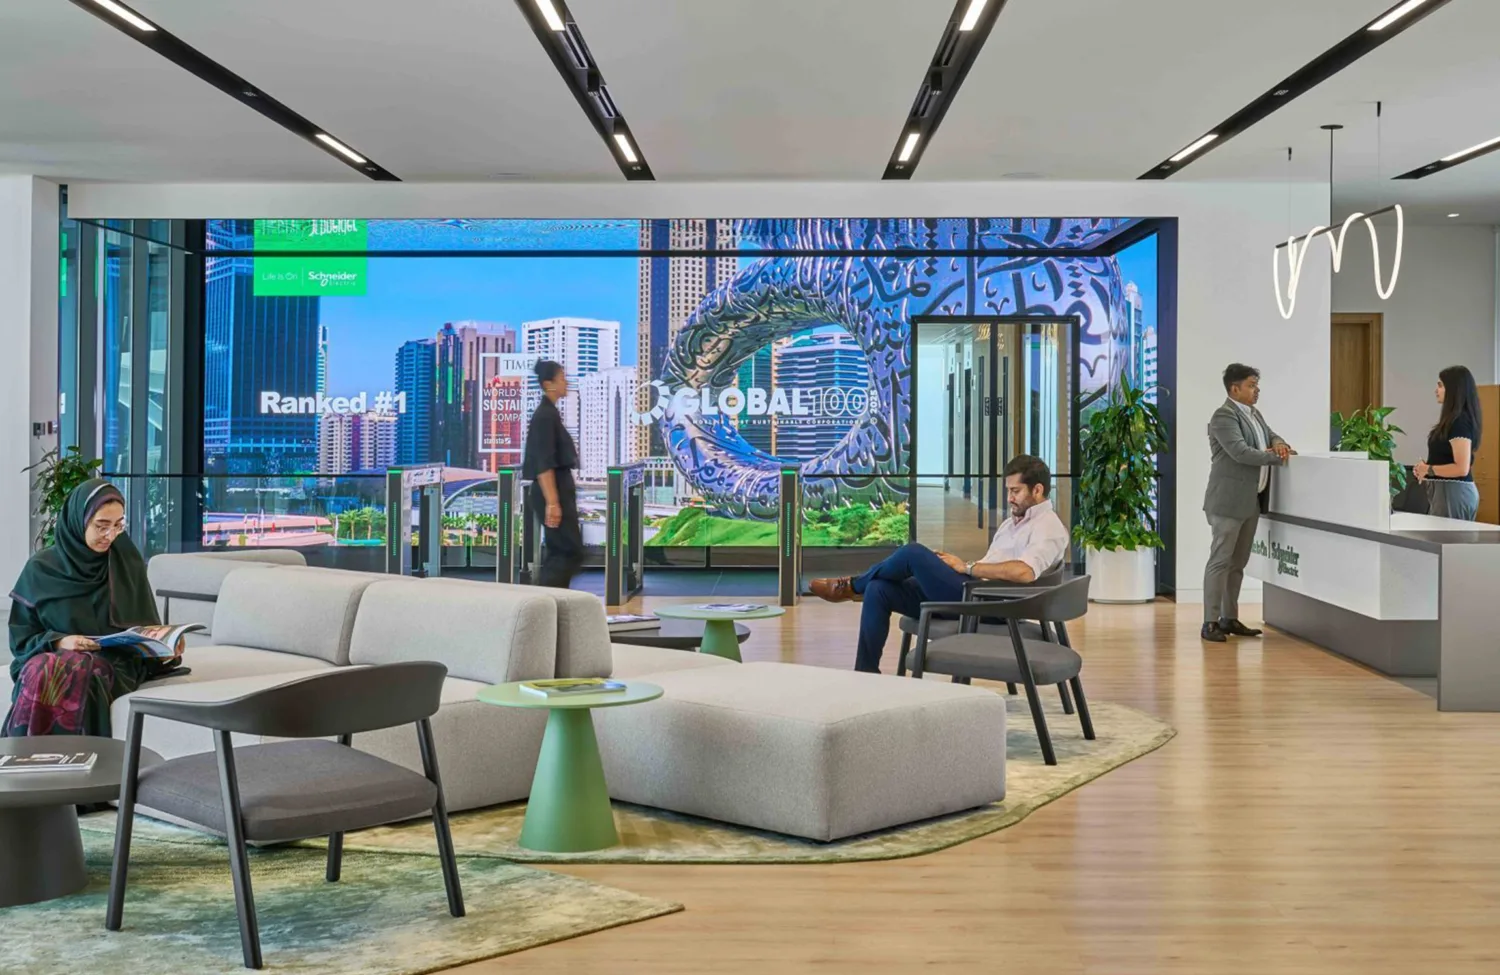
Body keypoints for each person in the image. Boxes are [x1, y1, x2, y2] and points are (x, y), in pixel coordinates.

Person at [809, 455, 1070, 674]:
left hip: (992, 604)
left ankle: (851, 585)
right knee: (879, 588)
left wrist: (966, 567)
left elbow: (1024, 572)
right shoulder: (1013, 522)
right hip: (973, 592)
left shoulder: (1048, 527)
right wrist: (953, 568)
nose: (1010, 498)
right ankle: (865, 676)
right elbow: (995, 564)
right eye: (1008, 492)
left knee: (913, 553)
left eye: (1016, 491)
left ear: (1038, 490)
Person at [4, 479, 163, 737]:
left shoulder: (125, 562)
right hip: (47, 658)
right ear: (79, 521)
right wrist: (59, 642)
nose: (110, 536)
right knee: (47, 667)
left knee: (72, 670)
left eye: (118, 526)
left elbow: (147, 631)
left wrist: (167, 649)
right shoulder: (41, 569)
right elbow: (21, 641)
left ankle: (66, 762)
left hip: (111, 663)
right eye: (101, 526)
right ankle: (29, 761)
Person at [1202, 363, 1294, 644]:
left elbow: (1270, 435)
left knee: (1238, 563)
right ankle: (1210, 622)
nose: (1257, 391)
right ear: (1235, 388)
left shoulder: (1253, 414)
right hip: (1227, 502)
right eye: (1252, 385)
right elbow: (1241, 452)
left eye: (1256, 385)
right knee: (1220, 561)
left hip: (1250, 501)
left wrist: (1279, 443)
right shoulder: (1223, 416)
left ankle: (1229, 618)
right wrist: (1278, 457)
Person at [522, 359, 584, 589]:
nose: (565, 382)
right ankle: (545, 602)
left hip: (558, 492)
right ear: (549, 384)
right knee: (566, 552)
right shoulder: (544, 416)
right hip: (552, 492)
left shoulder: (550, 413)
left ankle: (553, 602)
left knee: (567, 551)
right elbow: (543, 462)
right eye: (561, 378)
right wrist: (553, 502)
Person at [1414, 365, 1482, 521]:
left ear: (1453, 389)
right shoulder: (1451, 421)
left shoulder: (1459, 423)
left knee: (1447, 542)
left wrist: (1429, 469)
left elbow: (1461, 468)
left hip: (1455, 494)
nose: (1436, 390)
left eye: (1440, 385)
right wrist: (1425, 469)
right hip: (1445, 492)